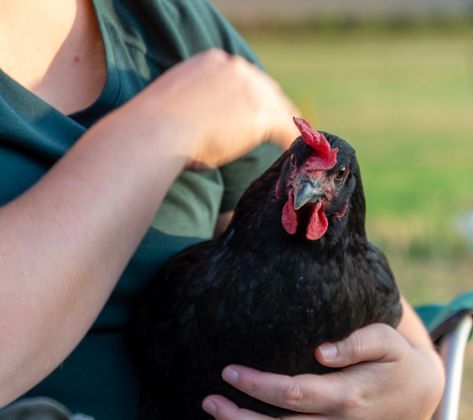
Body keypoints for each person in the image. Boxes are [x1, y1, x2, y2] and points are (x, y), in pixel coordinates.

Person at [0, 0, 444, 419]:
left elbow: (365, 292)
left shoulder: (174, 27)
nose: (310, 183)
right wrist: (162, 128)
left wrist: (419, 384)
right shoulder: (194, 71)